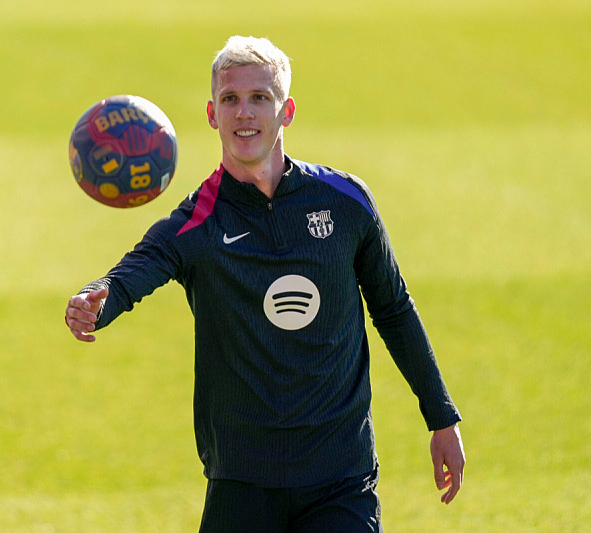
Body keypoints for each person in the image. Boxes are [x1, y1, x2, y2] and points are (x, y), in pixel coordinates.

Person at [65, 35, 465, 532]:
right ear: (212, 114)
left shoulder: (346, 201)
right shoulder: (198, 221)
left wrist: (440, 416)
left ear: (287, 110)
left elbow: (393, 308)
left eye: (260, 97)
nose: (244, 113)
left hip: (341, 477)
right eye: (230, 99)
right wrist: (99, 298)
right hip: (241, 482)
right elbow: (139, 267)